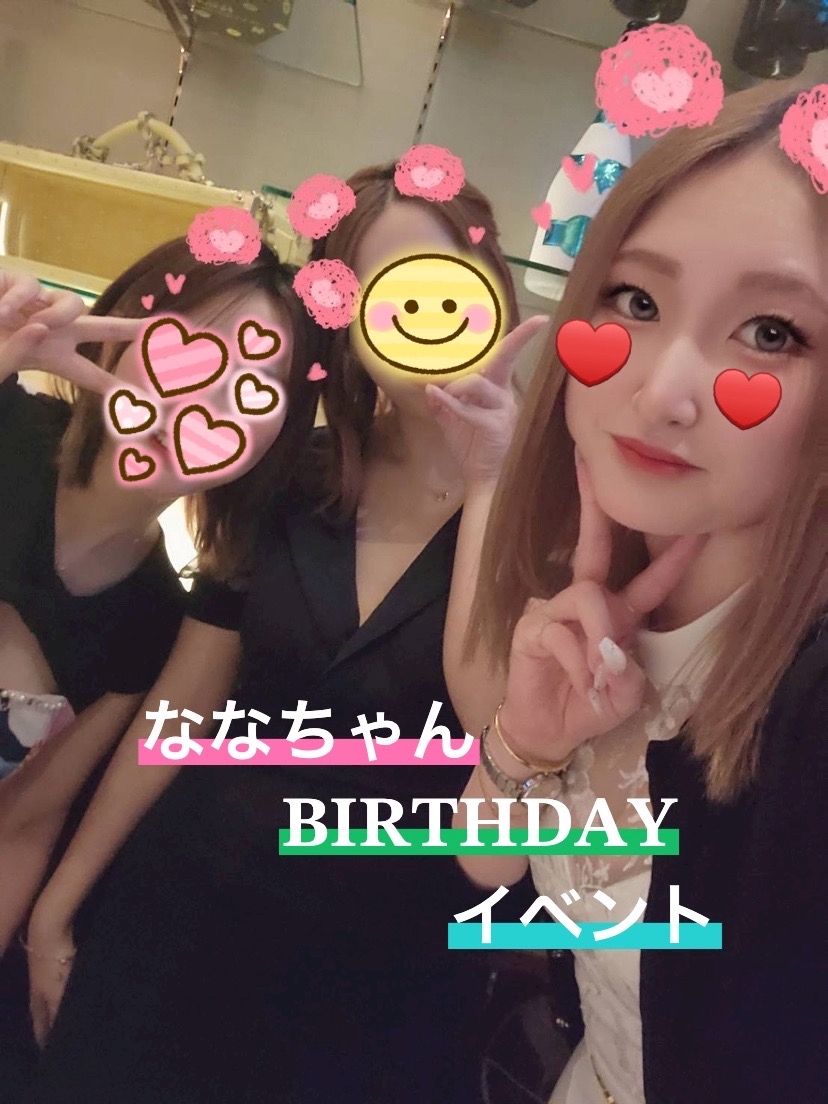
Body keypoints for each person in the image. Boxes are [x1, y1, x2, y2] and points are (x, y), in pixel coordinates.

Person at [23, 163, 548, 1104]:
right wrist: (57, 908)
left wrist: (489, 481)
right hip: (178, 923)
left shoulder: (555, 514)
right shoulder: (296, 477)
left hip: (384, 979)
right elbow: (181, 708)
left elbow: (496, 722)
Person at [452, 81, 828, 1104]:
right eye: (637, 301)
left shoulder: (804, 703)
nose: (662, 392)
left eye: (772, 332)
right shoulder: (586, 585)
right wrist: (528, 740)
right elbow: (481, 865)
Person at [0, 238, 319, 1096]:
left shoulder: (150, 623)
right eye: (191, 346)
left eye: (255, 385)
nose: (205, 396)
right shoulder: (6, 425)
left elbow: (23, 822)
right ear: (117, 332)